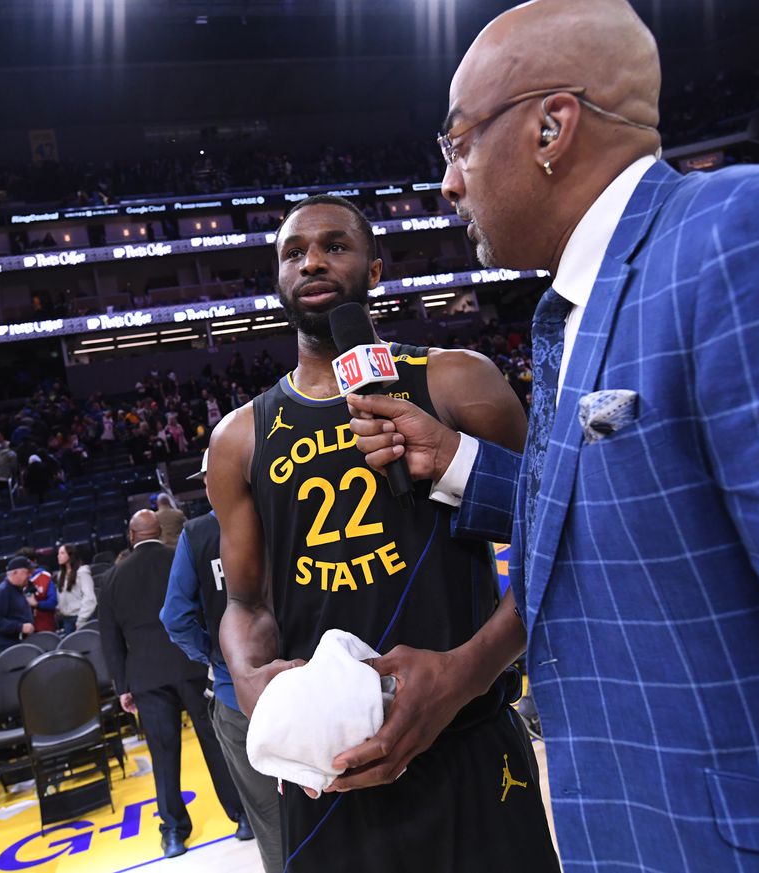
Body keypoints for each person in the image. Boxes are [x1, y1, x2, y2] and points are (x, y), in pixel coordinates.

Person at [345, 1, 759, 869]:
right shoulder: (572, 312)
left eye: (457, 143)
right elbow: (639, 513)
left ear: (549, 128)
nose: (449, 181)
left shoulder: (751, 234)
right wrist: (458, 470)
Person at [206, 194, 556, 873]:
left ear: (374, 271)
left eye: (335, 245)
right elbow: (246, 605)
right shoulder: (238, 437)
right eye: (293, 252)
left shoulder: (459, 380)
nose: (311, 259)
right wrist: (252, 683)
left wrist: (467, 671)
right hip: (335, 767)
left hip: (470, 740)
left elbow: (554, 545)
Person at [97, 510, 245, 859]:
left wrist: (122, 687)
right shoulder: (178, 558)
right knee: (215, 744)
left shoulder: (113, 577)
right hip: (191, 666)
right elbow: (202, 609)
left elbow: (110, 638)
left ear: (130, 535)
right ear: (159, 531)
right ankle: (242, 817)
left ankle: (175, 833)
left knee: (163, 756)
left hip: (146, 676)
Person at [161, 452, 279, 872]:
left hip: (238, 693)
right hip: (305, 679)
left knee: (270, 818)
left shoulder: (197, 534)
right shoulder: (284, 514)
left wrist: (212, 656)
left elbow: (175, 618)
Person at [0, 556, 36, 651]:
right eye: (27, 572)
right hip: (8, 649)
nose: (30, 576)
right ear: (14, 573)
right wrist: (20, 627)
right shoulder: (2, 591)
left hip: (19, 644)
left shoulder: (18, 589)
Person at [54, 544, 96, 635]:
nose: (58, 556)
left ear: (70, 555)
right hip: (67, 619)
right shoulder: (60, 574)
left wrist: (81, 619)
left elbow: (90, 598)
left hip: (80, 618)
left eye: (62, 553)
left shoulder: (82, 572)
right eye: (58, 553)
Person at [16, 548, 57, 632]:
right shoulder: (16, 581)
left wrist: (37, 604)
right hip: (25, 629)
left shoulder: (45, 576)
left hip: (46, 627)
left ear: (34, 561)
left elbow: (53, 602)